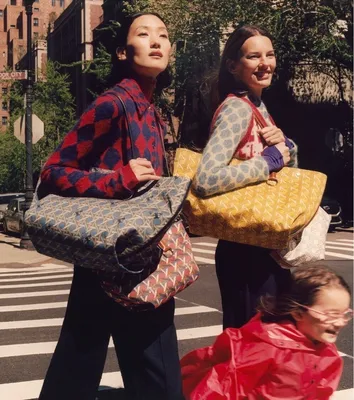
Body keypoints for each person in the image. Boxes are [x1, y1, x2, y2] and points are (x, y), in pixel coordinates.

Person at [38, 12, 184, 400]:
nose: (156, 41)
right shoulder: (113, 104)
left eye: (163, 35)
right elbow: (52, 171)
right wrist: (117, 179)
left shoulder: (152, 112)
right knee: (150, 377)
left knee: (80, 369)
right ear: (122, 51)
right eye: (143, 34)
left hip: (135, 253)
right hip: (111, 252)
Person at [193, 25, 298, 329]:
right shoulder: (237, 109)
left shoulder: (259, 107)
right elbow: (206, 179)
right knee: (252, 351)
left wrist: (285, 147)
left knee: (269, 347)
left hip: (262, 243)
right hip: (245, 249)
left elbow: (277, 167)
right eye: (254, 56)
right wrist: (268, 161)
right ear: (233, 66)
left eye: (270, 54)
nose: (265, 63)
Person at [181, 265, 352, 399]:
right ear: (298, 313)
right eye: (331, 314)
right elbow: (219, 390)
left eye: (345, 314)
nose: (339, 322)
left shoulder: (328, 353)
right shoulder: (264, 348)